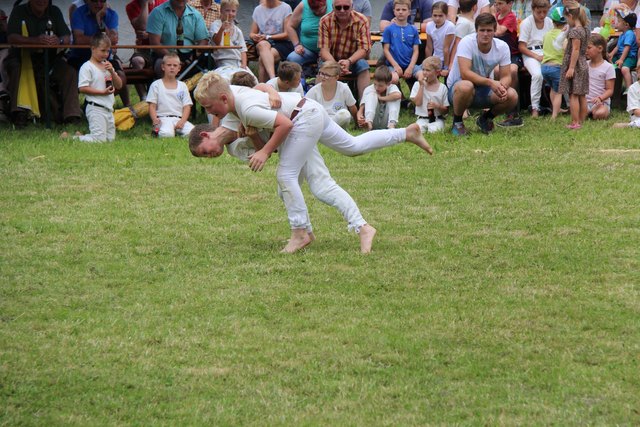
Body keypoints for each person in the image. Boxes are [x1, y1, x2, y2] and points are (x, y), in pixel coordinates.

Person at [192, 72, 433, 253]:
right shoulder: (232, 104)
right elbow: (259, 89)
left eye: (209, 107)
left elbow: (284, 125)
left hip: (301, 119)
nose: (210, 113)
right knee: (346, 154)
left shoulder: (243, 108)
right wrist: (259, 129)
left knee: (286, 178)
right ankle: (405, 134)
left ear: (223, 98)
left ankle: (300, 233)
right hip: (307, 112)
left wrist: (264, 151)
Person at [5, 0, 82, 127]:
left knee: (70, 72)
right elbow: (12, 37)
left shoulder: (55, 11)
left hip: (50, 59)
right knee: (16, 68)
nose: (41, 1)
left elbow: (67, 36)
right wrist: (35, 41)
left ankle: (72, 115)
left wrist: (59, 40)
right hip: (22, 57)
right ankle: (19, 113)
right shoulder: (18, 11)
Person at [446, 13, 519, 136]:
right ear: (476, 30)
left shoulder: (502, 47)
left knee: (512, 95)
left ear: (495, 30)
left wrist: (503, 87)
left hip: (482, 89)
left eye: (489, 30)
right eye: (482, 30)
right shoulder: (466, 42)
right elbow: (465, 73)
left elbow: (506, 76)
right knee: (466, 86)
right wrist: (491, 82)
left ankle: (485, 119)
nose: (485, 34)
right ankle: (457, 122)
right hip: (458, 89)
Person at [68, 0, 129, 107]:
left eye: (102, 1)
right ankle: (90, 103)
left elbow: (114, 39)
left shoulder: (111, 14)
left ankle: (103, 101)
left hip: (105, 58)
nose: (99, 4)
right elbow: (79, 40)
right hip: (79, 58)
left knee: (121, 76)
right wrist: (103, 38)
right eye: (95, 1)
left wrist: (99, 20)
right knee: (71, 73)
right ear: (87, 1)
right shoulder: (78, 13)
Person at [72, 33, 123, 143]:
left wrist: (112, 72)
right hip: (95, 107)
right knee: (99, 140)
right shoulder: (87, 67)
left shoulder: (107, 65)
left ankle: (81, 135)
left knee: (110, 140)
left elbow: (119, 85)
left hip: (108, 108)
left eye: (108, 51)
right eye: (103, 50)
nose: (106, 54)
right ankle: (72, 138)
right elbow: (82, 88)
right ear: (93, 49)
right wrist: (101, 92)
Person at [318, 0, 372, 100]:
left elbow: (364, 49)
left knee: (363, 66)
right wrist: (335, 65)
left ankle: (364, 105)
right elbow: (324, 50)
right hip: (332, 58)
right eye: (338, 7)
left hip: (353, 60)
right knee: (323, 67)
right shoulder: (325, 20)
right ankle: (320, 104)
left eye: (346, 7)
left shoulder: (362, 20)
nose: (342, 10)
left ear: (352, 7)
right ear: (333, 7)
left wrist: (349, 61)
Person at [147, 0, 209, 78]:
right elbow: (155, 43)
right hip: (164, 54)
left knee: (209, 67)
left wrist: (195, 54)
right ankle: (167, 89)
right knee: (163, 65)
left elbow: (203, 40)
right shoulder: (157, 12)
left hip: (189, 56)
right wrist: (172, 58)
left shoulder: (196, 15)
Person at [126, 0, 168, 99]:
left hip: (161, 47)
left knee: (162, 64)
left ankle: (162, 96)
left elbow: (168, 29)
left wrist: (150, 35)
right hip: (144, 49)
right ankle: (144, 98)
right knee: (136, 61)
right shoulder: (131, 6)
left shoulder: (164, 3)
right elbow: (142, 26)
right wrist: (144, 4)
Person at [147, 53, 194, 138]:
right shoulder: (156, 85)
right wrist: (155, 120)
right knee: (166, 134)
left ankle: (178, 131)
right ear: (163, 67)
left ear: (179, 68)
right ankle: (160, 131)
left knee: (193, 133)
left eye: (175, 65)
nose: (172, 67)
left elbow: (187, 107)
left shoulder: (182, 86)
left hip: (179, 118)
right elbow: (152, 106)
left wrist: (182, 121)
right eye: (169, 65)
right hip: (163, 118)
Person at [518, 0, 552, 117]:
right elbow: (522, 47)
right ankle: (535, 108)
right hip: (530, 52)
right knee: (537, 75)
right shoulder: (526, 23)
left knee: (559, 70)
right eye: (539, 12)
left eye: (544, 12)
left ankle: (564, 104)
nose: (542, 15)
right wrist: (537, 56)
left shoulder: (549, 22)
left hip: (547, 51)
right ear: (533, 10)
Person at [558, 1, 589, 130]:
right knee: (581, 94)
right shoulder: (586, 29)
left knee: (573, 95)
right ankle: (581, 121)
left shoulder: (575, 32)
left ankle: (575, 122)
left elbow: (575, 50)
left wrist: (571, 67)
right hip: (583, 63)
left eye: (566, 19)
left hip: (575, 65)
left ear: (570, 16)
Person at [494, 0, 524, 127]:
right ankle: (497, 104)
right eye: (496, 3)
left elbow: (499, 31)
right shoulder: (496, 17)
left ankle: (513, 109)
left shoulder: (510, 17)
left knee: (511, 71)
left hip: (512, 55)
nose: (497, 6)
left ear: (509, 4)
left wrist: (492, 17)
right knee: (495, 71)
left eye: (501, 3)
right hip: (498, 56)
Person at [249, 0, 293, 83]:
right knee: (263, 44)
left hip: (281, 42)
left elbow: (287, 34)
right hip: (262, 42)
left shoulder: (285, 8)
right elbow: (252, 33)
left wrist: (268, 37)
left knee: (263, 59)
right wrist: (255, 36)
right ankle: (273, 80)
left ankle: (263, 87)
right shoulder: (258, 10)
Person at [306, 61, 358, 128]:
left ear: (336, 77)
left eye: (327, 75)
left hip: (339, 120)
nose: (323, 77)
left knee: (345, 114)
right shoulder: (314, 90)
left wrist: (357, 123)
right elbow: (305, 109)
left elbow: (352, 107)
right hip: (322, 121)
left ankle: (331, 129)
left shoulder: (343, 88)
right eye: (321, 73)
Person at [382, 0, 422, 85]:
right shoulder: (388, 29)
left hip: (409, 64)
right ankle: (399, 96)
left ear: (409, 12)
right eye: (398, 10)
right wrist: (396, 66)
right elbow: (386, 50)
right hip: (392, 65)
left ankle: (416, 97)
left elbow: (416, 51)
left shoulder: (413, 29)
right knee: (394, 79)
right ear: (394, 11)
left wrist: (411, 67)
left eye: (404, 10)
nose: (400, 12)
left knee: (422, 77)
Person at [286, 0, 332, 70]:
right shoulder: (303, 5)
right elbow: (290, 26)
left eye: (320, 10)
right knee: (292, 58)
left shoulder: (333, 4)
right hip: (308, 49)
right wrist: (297, 45)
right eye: (314, 10)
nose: (317, 12)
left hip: (329, 50)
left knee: (326, 66)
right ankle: (299, 79)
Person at [410, 56, 449, 133]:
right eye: (423, 69)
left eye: (428, 70)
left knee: (434, 130)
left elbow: (446, 110)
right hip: (422, 118)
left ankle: (434, 127)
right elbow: (417, 103)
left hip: (437, 118)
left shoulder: (442, 88)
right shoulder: (417, 84)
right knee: (418, 130)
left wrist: (437, 106)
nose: (424, 73)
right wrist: (421, 86)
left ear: (437, 72)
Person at [540, 6, 567, 119]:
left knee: (553, 89)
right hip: (557, 67)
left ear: (552, 21)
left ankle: (556, 109)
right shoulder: (563, 36)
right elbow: (565, 50)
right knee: (559, 92)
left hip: (544, 67)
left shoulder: (546, 34)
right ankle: (554, 115)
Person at [357, 66, 402, 130]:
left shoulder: (392, 87)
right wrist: (359, 116)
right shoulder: (369, 89)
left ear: (388, 84)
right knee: (372, 94)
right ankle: (369, 123)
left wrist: (381, 98)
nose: (377, 88)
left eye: (380, 85)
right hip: (374, 121)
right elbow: (360, 110)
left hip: (386, 121)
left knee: (394, 97)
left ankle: (391, 125)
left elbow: (398, 95)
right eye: (375, 84)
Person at [210, 0, 249, 71]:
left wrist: (244, 65)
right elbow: (216, 43)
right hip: (223, 61)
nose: (230, 13)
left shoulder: (238, 30)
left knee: (250, 78)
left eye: (233, 11)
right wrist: (221, 29)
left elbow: (243, 50)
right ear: (221, 11)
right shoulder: (216, 25)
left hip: (238, 62)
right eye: (227, 10)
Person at [586, 34, 616, 120]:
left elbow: (610, 90)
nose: (586, 50)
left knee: (600, 114)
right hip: (585, 101)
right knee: (577, 111)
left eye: (589, 48)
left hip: (601, 102)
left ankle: (595, 112)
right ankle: (587, 111)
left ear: (600, 49)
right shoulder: (585, 65)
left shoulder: (608, 67)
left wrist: (600, 98)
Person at [608, 11, 638, 94]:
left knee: (625, 69)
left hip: (629, 57)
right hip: (621, 56)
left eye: (619, 21)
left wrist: (621, 60)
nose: (617, 23)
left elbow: (627, 48)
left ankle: (629, 89)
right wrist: (611, 54)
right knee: (609, 65)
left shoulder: (629, 34)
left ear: (626, 25)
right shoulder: (622, 34)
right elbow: (617, 47)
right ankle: (613, 88)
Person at [425, 1, 455, 75]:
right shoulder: (429, 25)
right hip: (435, 58)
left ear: (446, 15)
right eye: (435, 15)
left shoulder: (450, 26)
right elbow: (429, 47)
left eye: (440, 16)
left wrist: (445, 67)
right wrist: (428, 62)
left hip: (447, 58)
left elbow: (446, 49)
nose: (437, 18)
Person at [449, 0, 477, 72]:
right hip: (463, 59)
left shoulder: (470, 21)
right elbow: (457, 43)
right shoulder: (464, 23)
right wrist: (451, 63)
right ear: (474, 7)